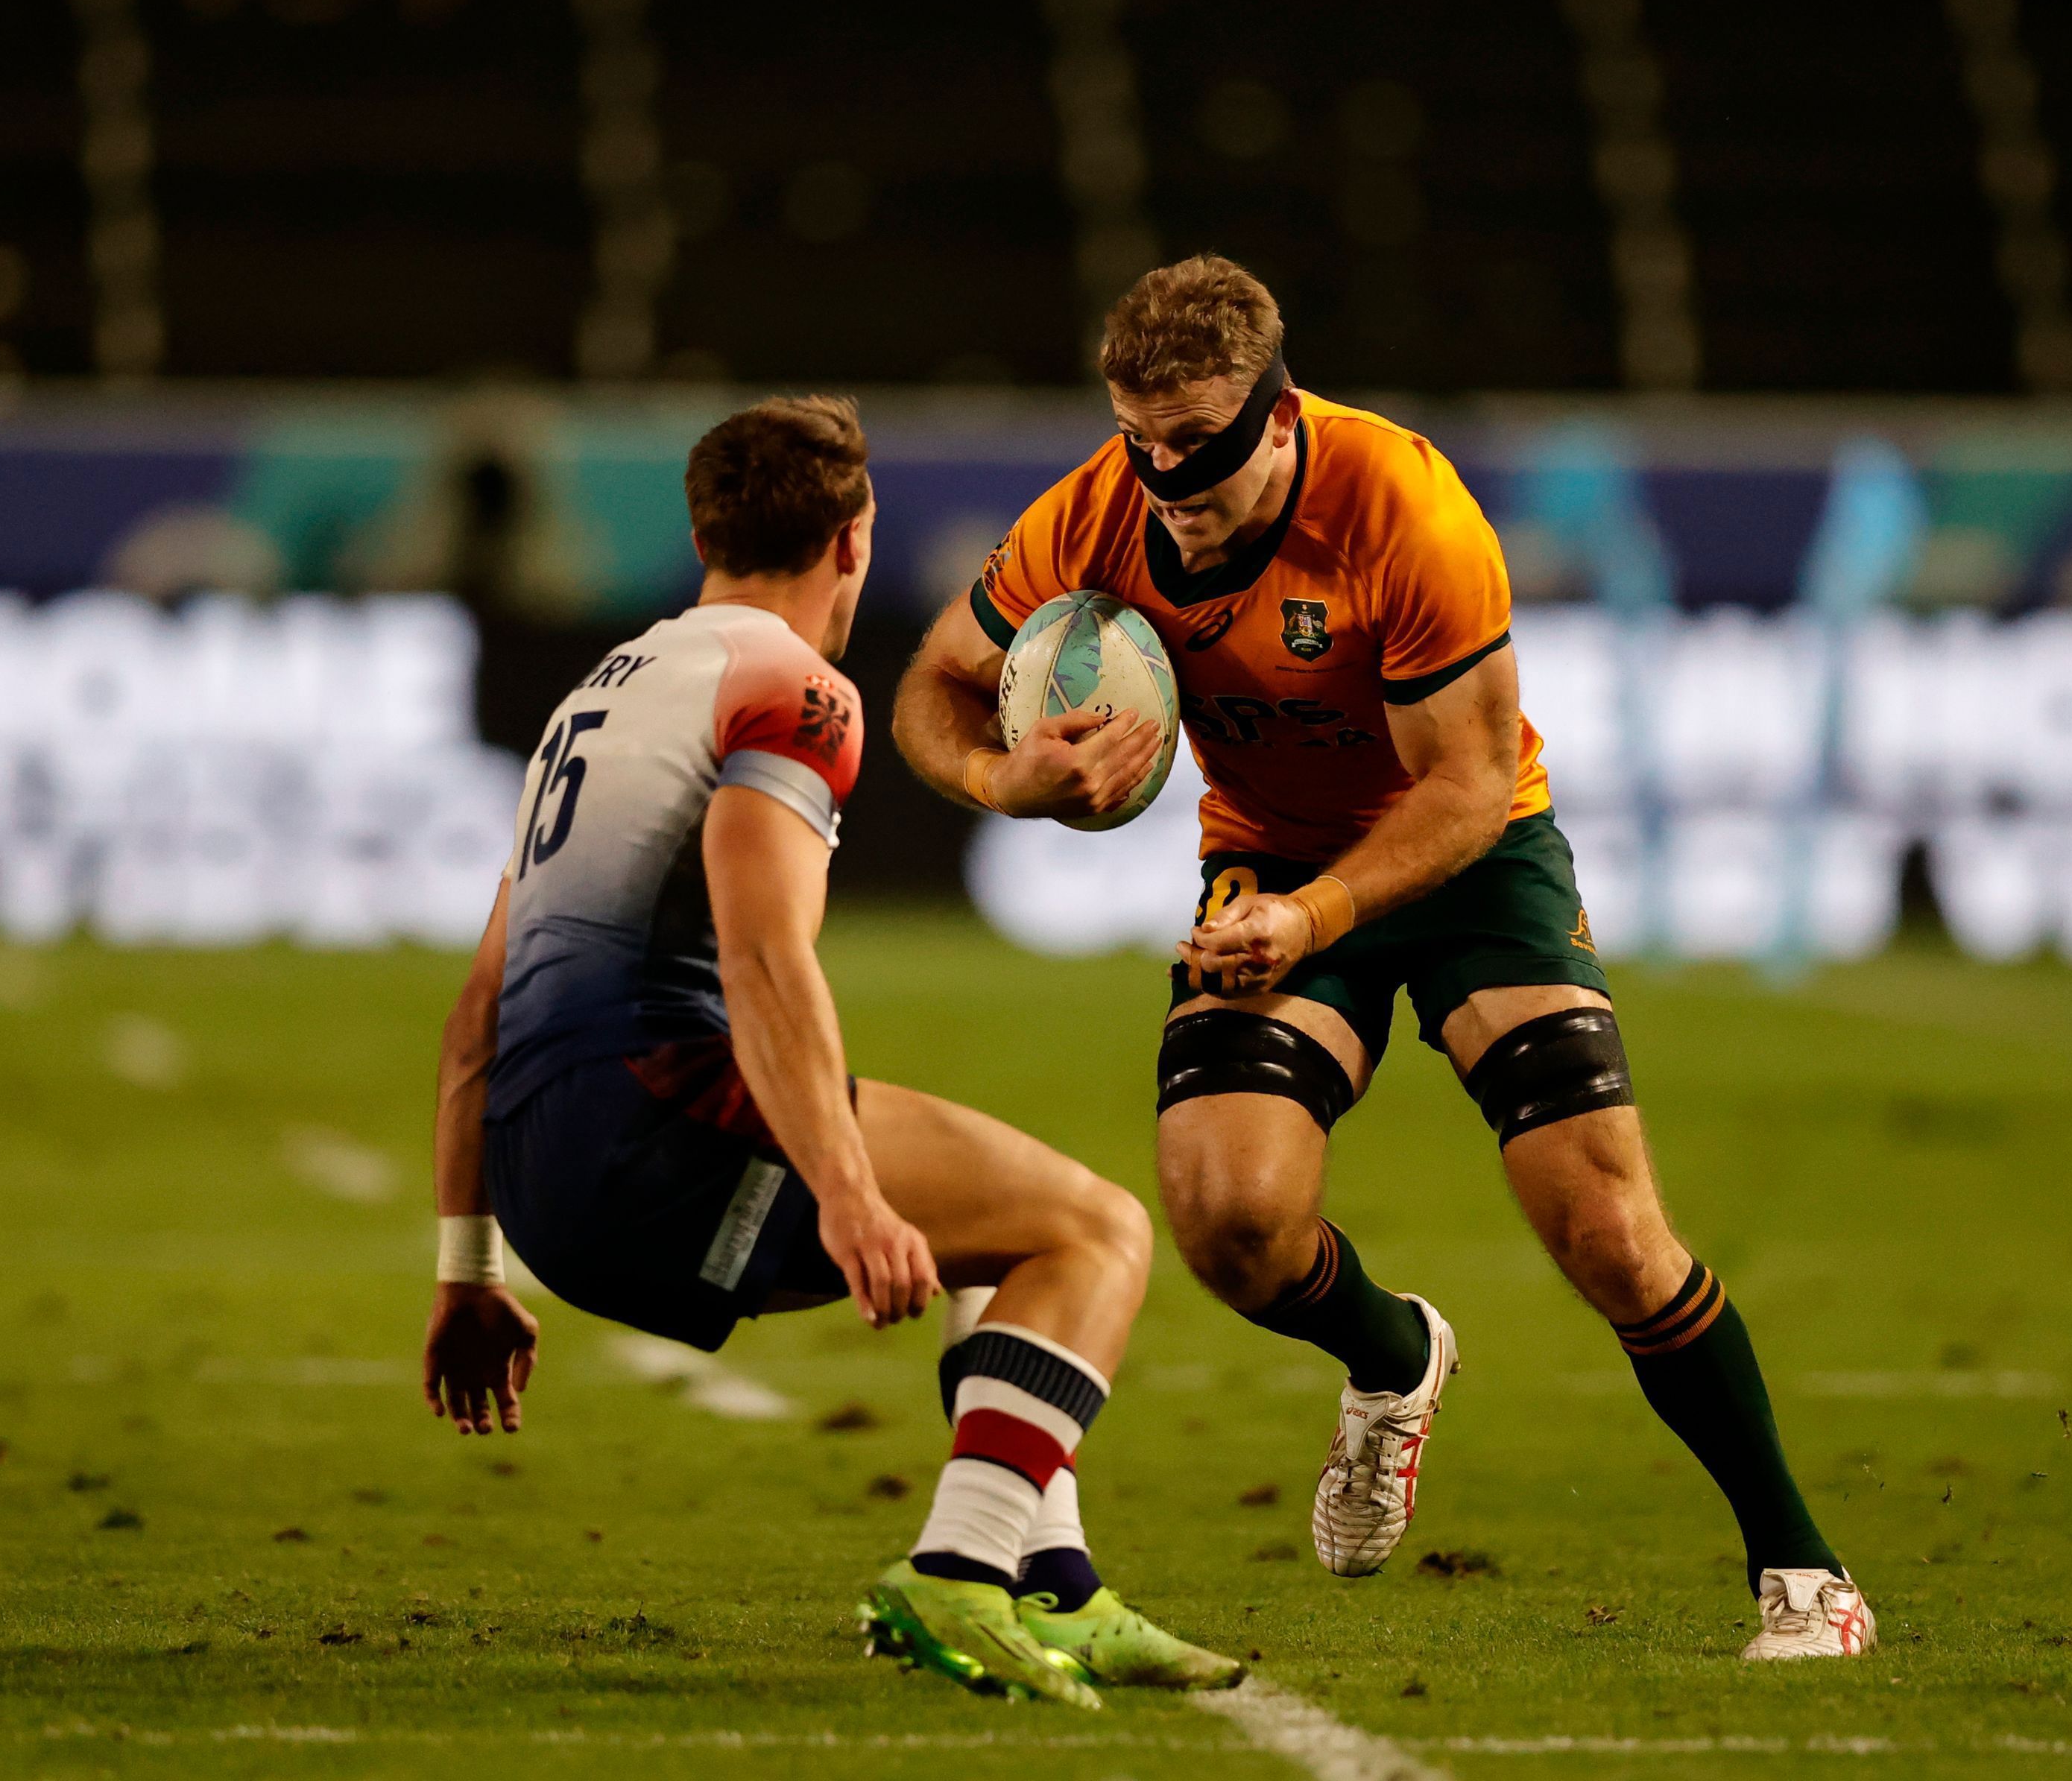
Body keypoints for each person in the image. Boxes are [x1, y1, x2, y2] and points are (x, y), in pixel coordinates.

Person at [894, 259, 1873, 1660]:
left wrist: (1317, 920)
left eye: (1200, 443)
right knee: (1230, 1223)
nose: (1167, 478)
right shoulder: (1097, 514)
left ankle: (1802, 1567)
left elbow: (1466, 787)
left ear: (1279, 415)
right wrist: (1002, 780)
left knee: (1607, 1232)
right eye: (1139, 440)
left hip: (1473, 862)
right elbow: (934, 684)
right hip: (1272, 856)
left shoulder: (1403, 510)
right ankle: (1394, 1357)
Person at [417, 394, 1241, 1707]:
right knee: (1096, 1233)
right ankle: (960, 1571)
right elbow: (763, 956)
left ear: (705, 535)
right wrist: (849, 1196)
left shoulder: (599, 698)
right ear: (854, 541)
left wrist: (467, 1268)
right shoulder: (797, 692)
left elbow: (478, 1008)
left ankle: (1059, 1590)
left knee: (1000, 1225)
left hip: (540, 1172)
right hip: (654, 1128)